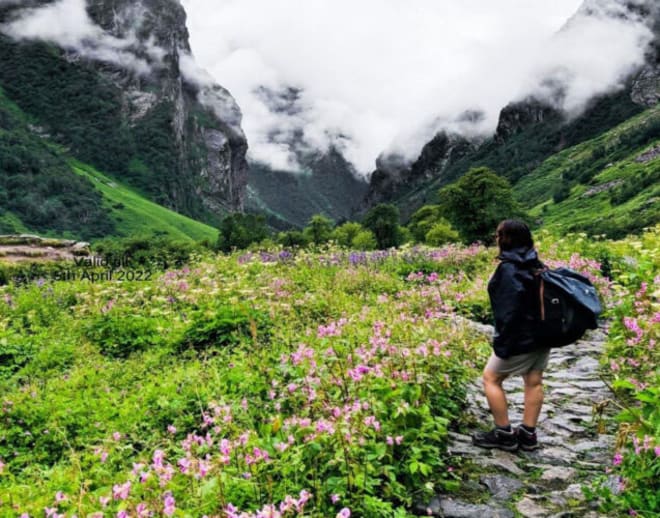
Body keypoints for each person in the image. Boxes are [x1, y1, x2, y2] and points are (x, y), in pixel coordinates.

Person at [472, 219, 548, 452]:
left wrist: (502, 343)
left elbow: (509, 310)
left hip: (519, 337)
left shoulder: (508, 269)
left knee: (491, 378)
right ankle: (528, 434)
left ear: (505, 239)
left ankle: (504, 434)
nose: (496, 238)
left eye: (498, 235)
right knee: (533, 381)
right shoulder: (536, 263)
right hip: (543, 336)